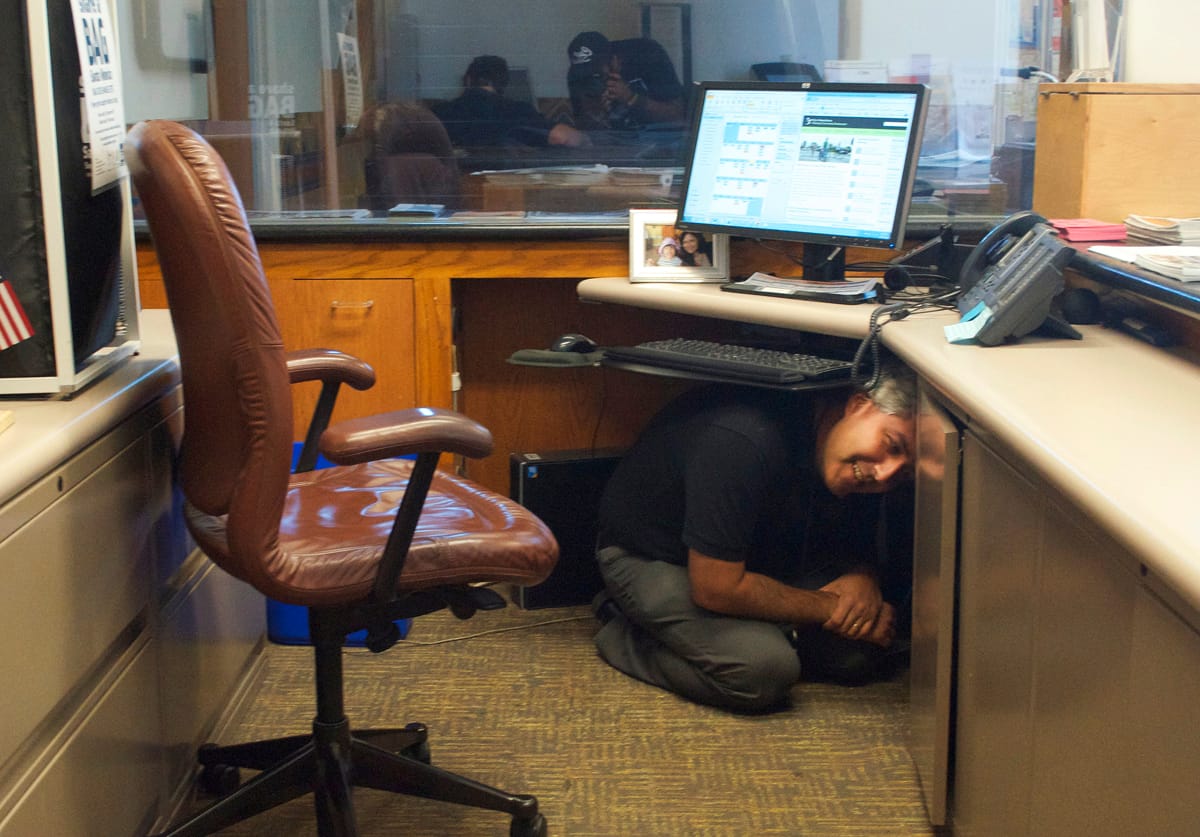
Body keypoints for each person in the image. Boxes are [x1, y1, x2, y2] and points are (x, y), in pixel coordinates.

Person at [592, 362, 918, 713]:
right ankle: (626, 628)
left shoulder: (850, 450)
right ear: (858, 405)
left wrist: (862, 577)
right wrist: (831, 607)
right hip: (655, 558)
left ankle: (759, 630)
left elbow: (856, 543)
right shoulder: (744, 438)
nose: (885, 474)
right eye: (892, 445)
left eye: (904, 473)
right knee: (762, 671)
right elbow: (716, 587)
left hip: (753, 556)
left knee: (859, 652)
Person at [433, 55, 588, 150]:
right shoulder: (515, 112)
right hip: (506, 190)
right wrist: (586, 138)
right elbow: (560, 137)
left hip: (456, 189)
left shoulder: (440, 113)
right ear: (504, 85)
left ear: (467, 80)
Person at [566, 31, 686, 131]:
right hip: (616, 145)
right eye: (587, 73)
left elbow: (677, 116)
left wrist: (631, 98)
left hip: (662, 138)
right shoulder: (578, 74)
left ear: (614, 59)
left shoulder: (647, 55)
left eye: (597, 71)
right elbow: (584, 128)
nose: (593, 76)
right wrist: (597, 112)